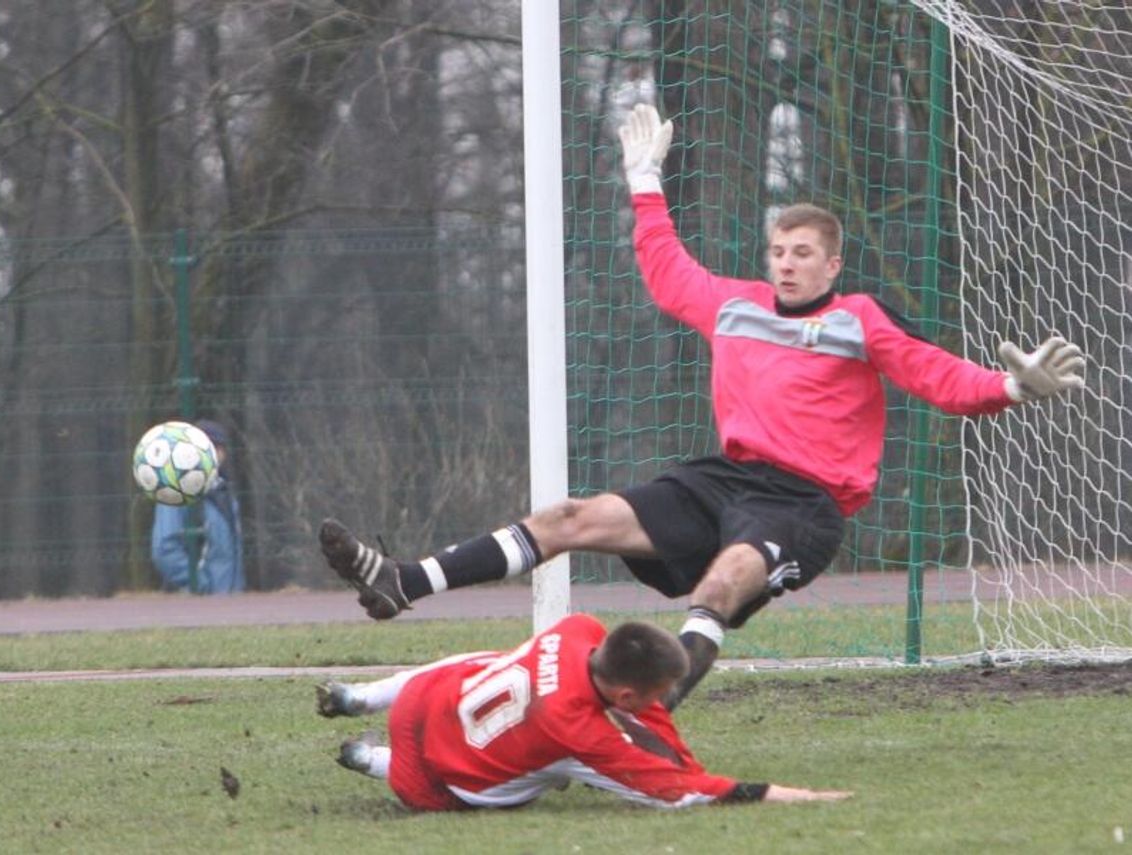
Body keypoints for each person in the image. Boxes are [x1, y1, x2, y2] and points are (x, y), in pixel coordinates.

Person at [319, 103, 1085, 709]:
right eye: (778, 251)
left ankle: (653, 707)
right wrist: (645, 183)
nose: (786, 263)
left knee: (721, 583)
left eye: (803, 253)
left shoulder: (860, 319)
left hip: (804, 504)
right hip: (724, 478)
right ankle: (401, 581)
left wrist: (1011, 387)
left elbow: (936, 377)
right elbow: (667, 269)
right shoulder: (735, 305)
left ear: (833, 262)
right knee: (569, 518)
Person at [316, 612, 851, 810]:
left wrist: (677, 751)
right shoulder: (580, 729)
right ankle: (370, 759)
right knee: (560, 769)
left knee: (494, 660)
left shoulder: (579, 628)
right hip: (424, 783)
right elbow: (675, 791)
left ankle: (361, 696)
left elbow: (648, 717)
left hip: (420, 697)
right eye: (658, 693)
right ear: (625, 698)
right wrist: (796, 795)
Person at [151, 418, 244, 594]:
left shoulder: (223, 491)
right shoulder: (175, 492)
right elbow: (165, 549)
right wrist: (200, 585)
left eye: (218, 448)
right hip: (194, 604)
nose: (217, 455)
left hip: (230, 600)